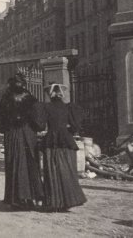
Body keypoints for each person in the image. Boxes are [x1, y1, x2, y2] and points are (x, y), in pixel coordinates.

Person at [0, 72, 43, 209]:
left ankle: (16, 199)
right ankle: (32, 198)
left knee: (14, 164)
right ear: (25, 84)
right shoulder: (31, 99)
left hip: (12, 135)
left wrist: (10, 125)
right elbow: (39, 123)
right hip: (28, 135)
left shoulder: (6, 99)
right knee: (30, 165)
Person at [36, 83, 86, 212]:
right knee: (67, 169)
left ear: (50, 94)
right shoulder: (69, 107)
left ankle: (54, 202)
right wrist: (67, 130)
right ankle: (69, 201)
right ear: (61, 94)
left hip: (51, 140)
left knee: (52, 170)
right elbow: (75, 126)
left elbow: (40, 125)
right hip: (66, 140)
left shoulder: (46, 107)